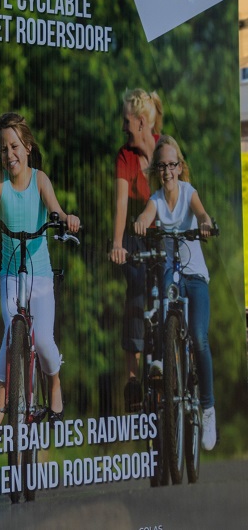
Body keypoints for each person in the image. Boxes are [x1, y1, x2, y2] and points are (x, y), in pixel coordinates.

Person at [0, 113, 80, 427]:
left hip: (40, 276)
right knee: (10, 333)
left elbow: (55, 209)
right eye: (3, 149)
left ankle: (54, 382)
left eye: (14, 146)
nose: (9, 154)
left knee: (43, 339)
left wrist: (65, 218)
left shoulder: (40, 179)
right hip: (10, 277)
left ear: (28, 147)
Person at [133, 135, 217, 449]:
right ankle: (164, 359)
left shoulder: (188, 193)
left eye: (172, 165)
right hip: (173, 274)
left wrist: (206, 222)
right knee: (161, 302)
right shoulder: (155, 199)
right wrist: (142, 223)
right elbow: (145, 215)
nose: (167, 171)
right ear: (157, 170)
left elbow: (202, 213)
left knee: (198, 337)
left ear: (180, 167)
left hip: (195, 275)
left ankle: (207, 408)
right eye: (162, 166)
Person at [108, 88, 163, 411]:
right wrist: (117, 244)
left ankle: (167, 357)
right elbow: (121, 203)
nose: (123, 127)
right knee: (137, 293)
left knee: (168, 292)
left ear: (141, 122)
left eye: (126, 121)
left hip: (165, 236)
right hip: (136, 238)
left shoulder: (165, 149)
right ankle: (133, 377)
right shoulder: (124, 157)